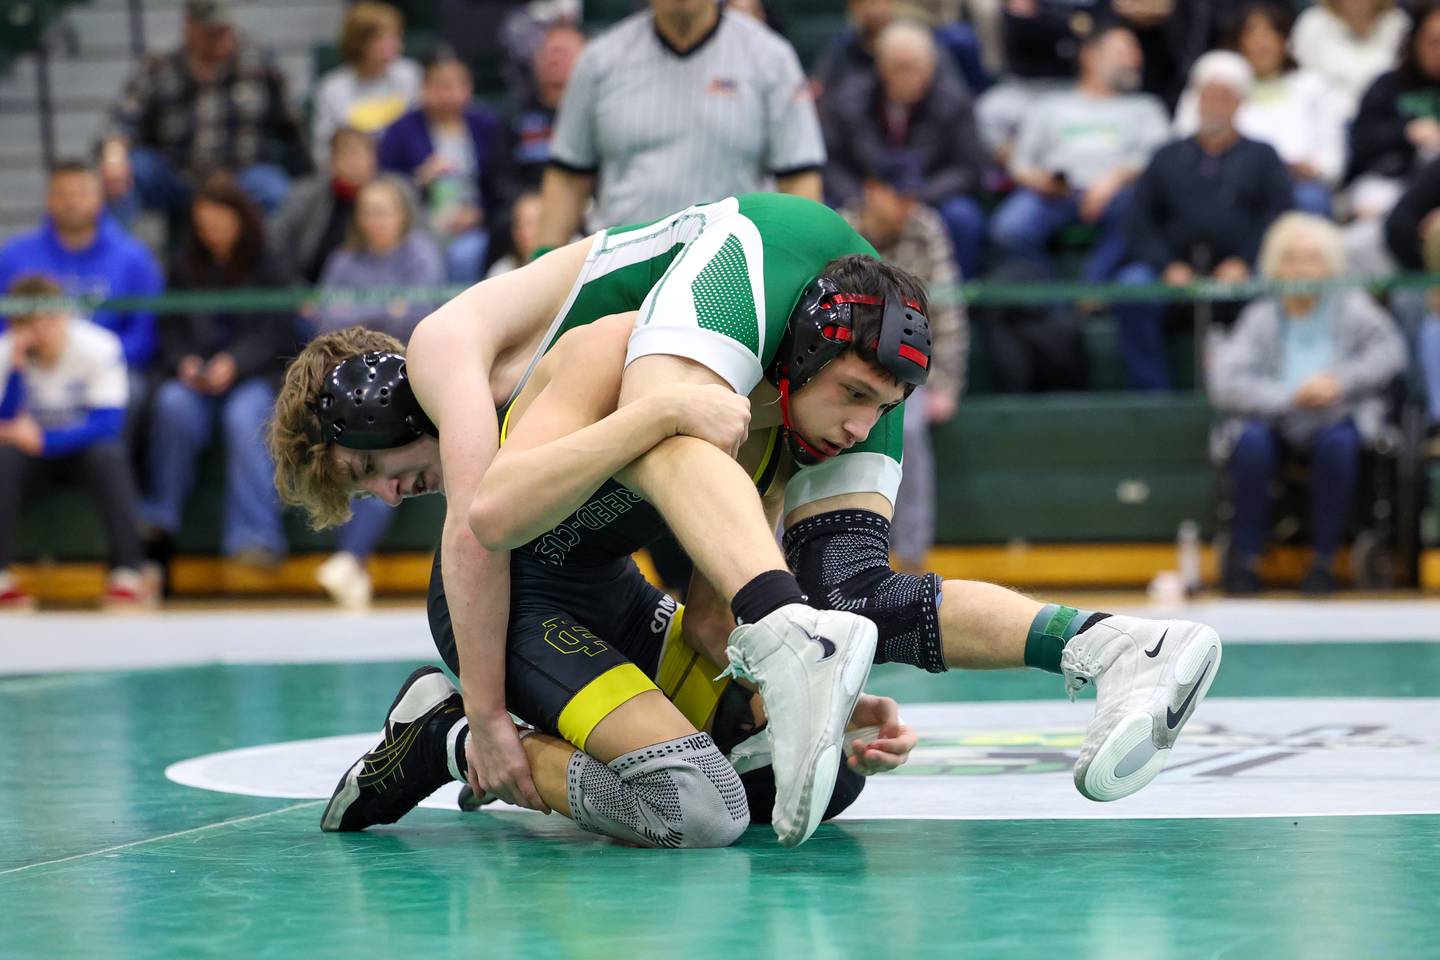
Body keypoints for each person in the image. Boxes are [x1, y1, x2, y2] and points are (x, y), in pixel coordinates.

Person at [270, 192, 1223, 846]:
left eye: (369, 472)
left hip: (597, 573)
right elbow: (486, 528)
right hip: (522, 584)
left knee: (813, 771)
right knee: (696, 803)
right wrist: (483, 718)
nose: (385, 493)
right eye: (364, 488)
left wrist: (812, 707)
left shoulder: (733, 386)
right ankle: (444, 734)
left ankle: (1093, 646)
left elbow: (711, 578)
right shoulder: (568, 360)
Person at [1207, 213, 1407, 595]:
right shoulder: (1260, 316)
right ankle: (1244, 560)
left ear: (1329, 264)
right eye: (1291, 258)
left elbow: (1390, 352)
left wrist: (1339, 383)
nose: (1301, 267)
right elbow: (1226, 381)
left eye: (1311, 257)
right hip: (1274, 418)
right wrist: (1288, 396)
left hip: (1337, 416)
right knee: (1249, 443)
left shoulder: (1352, 307)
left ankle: (1323, 561)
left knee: (1340, 443)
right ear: (1275, 265)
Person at [536, 0, 826, 251]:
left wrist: (798, 269)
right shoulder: (598, 61)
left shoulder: (772, 58)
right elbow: (568, 178)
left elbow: (799, 179)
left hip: (729, 270)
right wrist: (541, 260)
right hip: (619, 267)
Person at [141, 175, 297, 568]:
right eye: (204, 225)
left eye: (221, 224)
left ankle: (255, 538)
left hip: (256, 376)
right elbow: (171, 329)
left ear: (241, 220)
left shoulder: (271, 260)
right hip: (197, 380)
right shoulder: (183, 266)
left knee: (244, 418)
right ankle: (161, 518)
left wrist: (236, 363)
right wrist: (186, 363)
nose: (212, 234)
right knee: (172, 404)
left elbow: (279, 330)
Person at [1112, 51, 1291, 391]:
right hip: (1174, 271)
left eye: (1225, 97)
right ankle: (1152, 398)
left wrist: (1244, 261)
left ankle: (1266, 392)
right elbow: (1139, 221)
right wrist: (1167, 267)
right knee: (1133, 287)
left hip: (1243, 270)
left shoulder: (1263, 156)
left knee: (1278, 288)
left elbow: (1278, 217)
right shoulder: (1166, 156)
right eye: (1208, 96)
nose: (1215, 105)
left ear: (1240, 104)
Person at [309, 176, 446, 608]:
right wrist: (389, 311)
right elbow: (325, 323)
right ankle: (349, 561)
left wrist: (362, 318)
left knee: (385, 446)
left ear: (403, 214)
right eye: (368, 210)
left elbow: (420, 315)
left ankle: (351, 559)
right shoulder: (344, 261)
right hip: (349, 385)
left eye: (385, 210)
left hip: (412, 378)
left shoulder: (421, 253)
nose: (376, 220)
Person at [839, 152, 967, 573]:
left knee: (907, 430)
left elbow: (947, 311)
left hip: (907, 372)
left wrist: (945, 384)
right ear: (872, 191)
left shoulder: (925, 226)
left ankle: (911, 562)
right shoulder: (842, 229)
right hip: (842, 369)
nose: (908, 206)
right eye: (899, 196)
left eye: (913, 197)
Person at [0, 275, 152, 609]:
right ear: (17, 324)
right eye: (33, 323)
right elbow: (6, 420)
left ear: (65, 314)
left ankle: (128, 573)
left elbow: (108, 424)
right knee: (3, 459)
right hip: (27, 458)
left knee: (109, 456)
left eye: (52, 318)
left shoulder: (99, 346)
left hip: (79, 454)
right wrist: (16, 368)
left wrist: (43, 441)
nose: (45, 330)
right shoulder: (6, 352)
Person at [99, 0, 309, 222]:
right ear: (190, 27)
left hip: (243, 175)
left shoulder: (259, 60)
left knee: (276, 191)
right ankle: (112, 255)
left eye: (225, 29)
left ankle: (271, 257)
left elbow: (291, 124)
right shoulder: (160, 63)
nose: (221, 38)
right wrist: (114, 154)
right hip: (177, 175)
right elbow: (122, 117)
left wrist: (306, 174)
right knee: (123, 175)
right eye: (212, 31)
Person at [989, 23, 1169, 281]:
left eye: (1136, 52)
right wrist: (1042, 181)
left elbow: (1161, 158)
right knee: (1010, 228)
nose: (1135, 60)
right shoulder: (1049, 106)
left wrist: (1114, 179)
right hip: (1055, 195)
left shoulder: (1146, 107)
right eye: (1123, 51)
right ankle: (1056, 304)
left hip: (1122, 196)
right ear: (1090, 56)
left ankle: (1091, 287)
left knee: (1138, 207)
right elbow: (1020, 163)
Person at [822, 20, 988, 278]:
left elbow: (969, 168)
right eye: (901, 68)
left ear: (932, 67)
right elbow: (830, 161)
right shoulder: (847, 100)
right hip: (863, 195)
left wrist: (917, 196)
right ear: (882, 67)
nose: (910, 77)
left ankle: (953, 299)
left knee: (962, 217)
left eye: (918, 68)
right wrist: (863, 198)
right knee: (826, 216)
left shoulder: (955, 102)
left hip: (927, 195)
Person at [0, 160, 164, 409]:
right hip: (31, 368)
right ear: (48, 199)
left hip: (107, 368)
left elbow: (143, 335)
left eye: (81, 193)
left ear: (100, 198)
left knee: (133, 389)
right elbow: (5, 328)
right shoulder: (13, 257)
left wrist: (90, 360)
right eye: (63, 194)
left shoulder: (134, 259)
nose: (71, 202)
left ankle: (112, 448)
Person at [1174, 2, 1345, 217]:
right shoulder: (1215, 81)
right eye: (1252, 32)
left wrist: (1313, 169)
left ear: (1285, 41)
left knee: (1310, 200)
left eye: (1271, 32)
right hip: (1223, 179)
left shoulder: (1314, 87)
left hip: (1294, 183)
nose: (1262, 42)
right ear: (1238, 40)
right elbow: (1182, 140)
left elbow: (1332, 160)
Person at [377, 50, 499, 283]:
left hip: (475, 224)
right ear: (424, 88)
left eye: (458, 84)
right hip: (418, 223)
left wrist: (479, 216)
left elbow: (499, 184)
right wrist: (419, 179)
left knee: (466, 254)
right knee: (423, 253)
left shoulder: (487, 126)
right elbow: (385, 185)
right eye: (442, 85)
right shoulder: (401, 130)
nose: (450, 93)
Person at [1345, 2, 1440, 221]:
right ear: (1415, 40)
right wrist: (1406, 132)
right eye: (1433, 42)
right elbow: (1361, 143)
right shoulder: (1387, 85)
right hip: (1391, 181)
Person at [269, 127, 393, 285]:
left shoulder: (394, 196)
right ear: (332, 160)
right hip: (309, 291)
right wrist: (296, 290)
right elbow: (276, 243)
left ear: (374, 160)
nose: (355, 162)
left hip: (381, 293)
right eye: (347, 154)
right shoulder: (306, 195)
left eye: (362, 154)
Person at [492, 25, 585, 219]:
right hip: (525, 214)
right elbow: (501, 178)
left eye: (562, 53)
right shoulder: (514, 111)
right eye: (547, 52)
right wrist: (527, 205)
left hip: (585, 210)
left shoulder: (597, 112)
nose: (553, 60)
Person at [311, 2, 421, 167]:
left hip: (403, 174)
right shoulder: (332, 88)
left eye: (396, 37)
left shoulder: (410, 75)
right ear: (359, 42)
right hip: (353, 175)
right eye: (383, 39)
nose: (394, 45)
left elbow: (420, 134)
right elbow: (323, 152)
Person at [1292, 0, 1410, 120]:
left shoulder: (1398, 23)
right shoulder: (1312, 23)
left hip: (1385, 116)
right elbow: (1301, 78)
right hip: (1325, 118)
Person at [485, 192, 544, 278]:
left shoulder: (565, 264)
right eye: (519, 225)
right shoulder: (502, 271)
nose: (524, 232)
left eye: (531, 224)